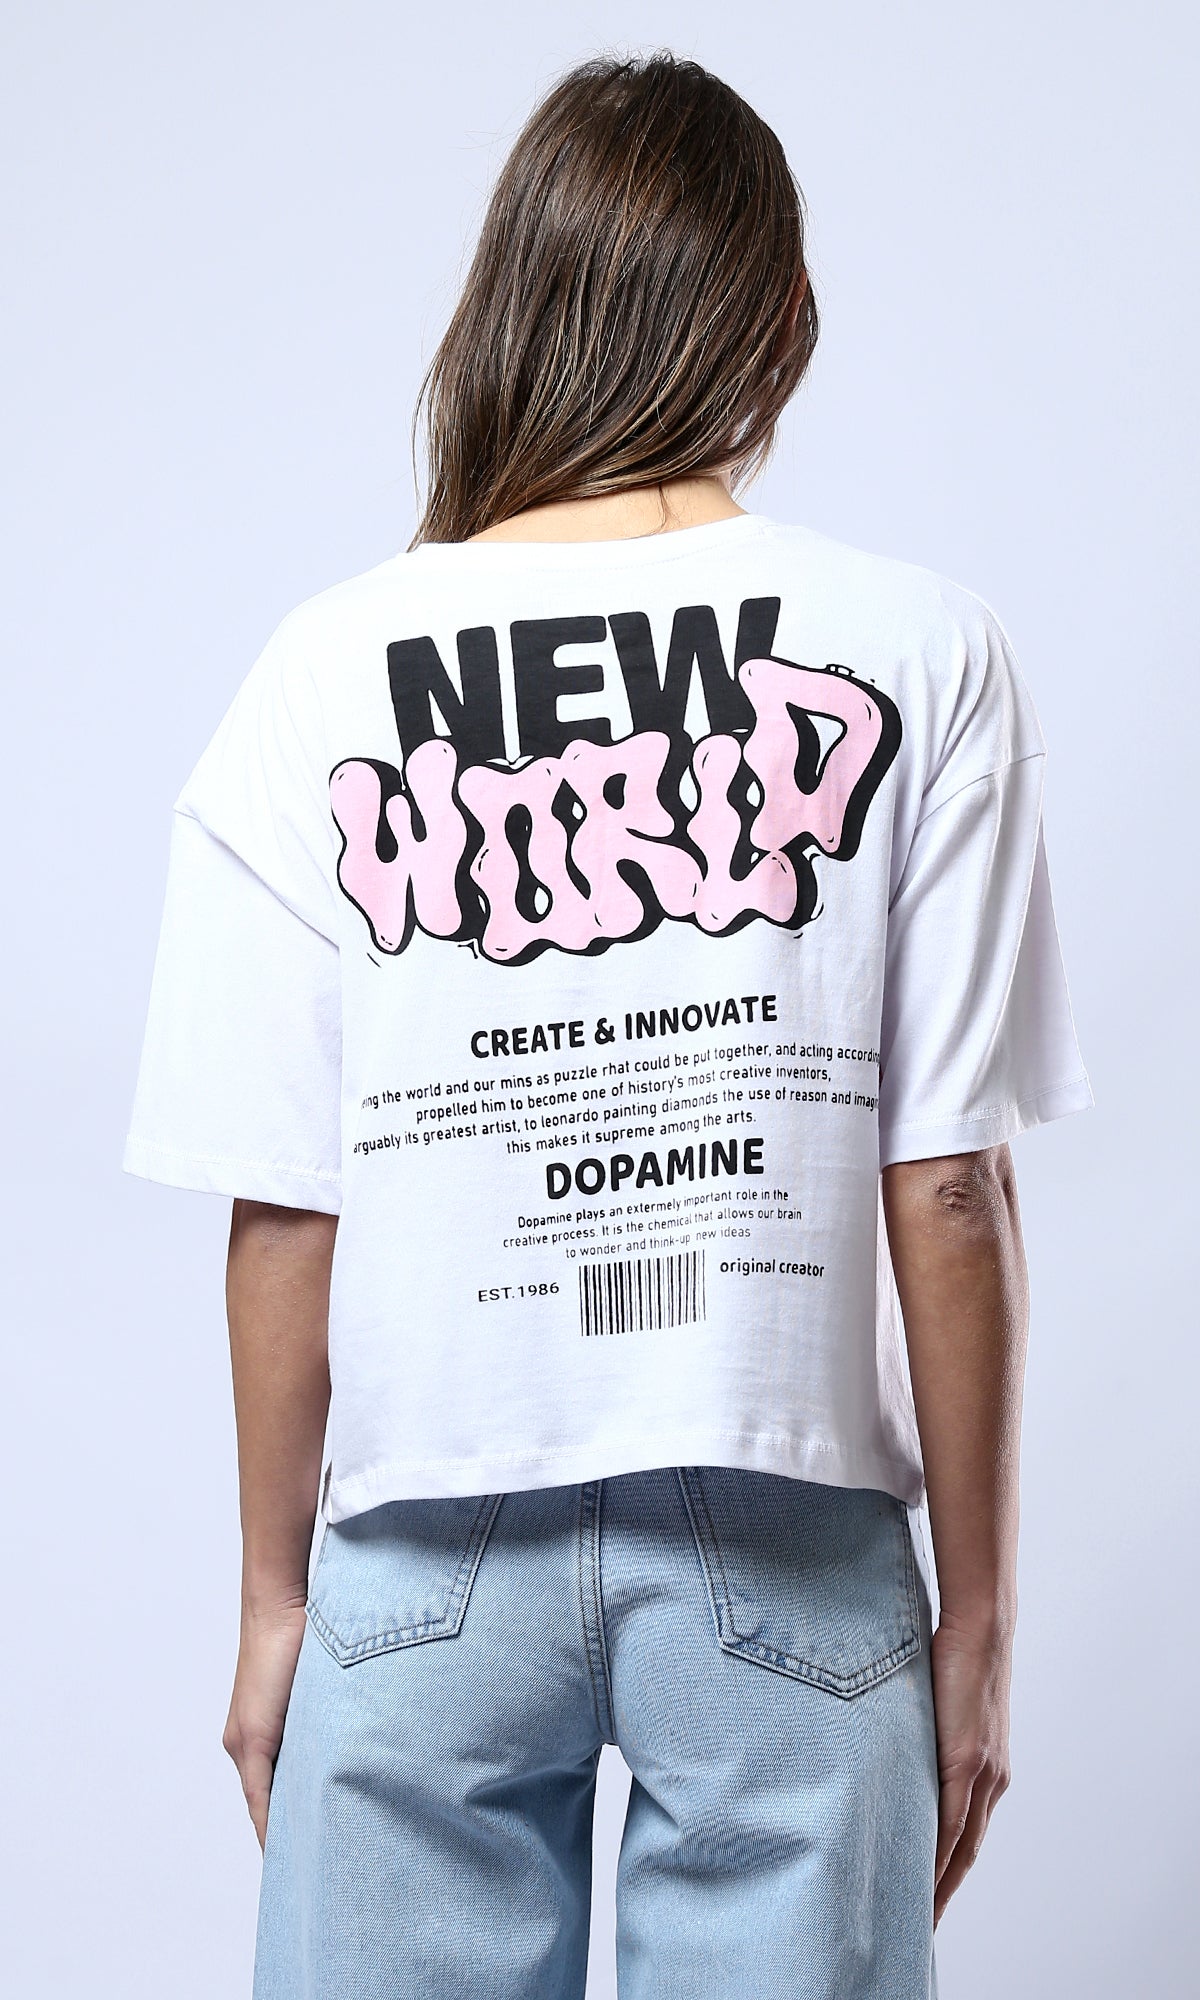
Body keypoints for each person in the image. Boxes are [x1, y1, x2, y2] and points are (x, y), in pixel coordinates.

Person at [123, 50, 1093, 2000]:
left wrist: (271, 1602)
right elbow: (950, 1190)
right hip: (790, 1540)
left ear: (515, 305)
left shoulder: (323, 673)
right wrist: (979, 1624)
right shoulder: (922, 650)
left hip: (425, 1555)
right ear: (781, 319)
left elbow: (287, 1205)